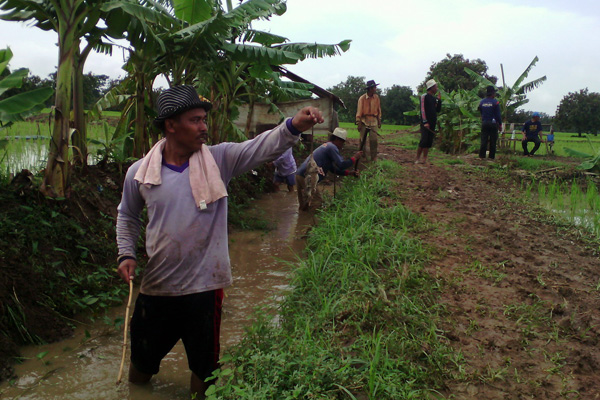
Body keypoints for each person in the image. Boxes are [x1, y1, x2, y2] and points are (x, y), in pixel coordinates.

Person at [115, 85, 323, 399]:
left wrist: (293, 126)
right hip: (157, 287)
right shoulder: (140, 173)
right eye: (195, 120)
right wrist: (126, 253)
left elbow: (259, 147)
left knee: (204, 370)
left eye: (203, 119)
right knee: (140, 369)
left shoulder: (219, 159)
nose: (204, 127)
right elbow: (128, 215)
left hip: (204, 290)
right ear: (171, 125)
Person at [295, 127, 362, 211]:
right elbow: (341, 164)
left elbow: (333, 169)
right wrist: (354, 158)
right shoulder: (332, 147)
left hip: (300, 175)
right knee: (317, 204)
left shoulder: (326, 146)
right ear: (338, 140)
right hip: (308, 176)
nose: (342, 146)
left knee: (304, 206)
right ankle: (312, 222)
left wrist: (349, 173)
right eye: (342, 143)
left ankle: (301, 222)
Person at [416, 79, 442, 164]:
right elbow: (422, 110)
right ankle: (417, 158)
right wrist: (425, 122)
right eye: (436, 87)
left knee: (429, 141)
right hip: (425, 123)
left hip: (432, 122)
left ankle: (424, 159)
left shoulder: (434, 99)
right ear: (431, 88)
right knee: (424, 140)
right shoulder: (424, 96)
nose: (437, 88)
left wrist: (439, 100)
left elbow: (437, 110)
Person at [355, 79, 382, 162]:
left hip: (373, 120)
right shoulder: (362, 99)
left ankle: (373, 157)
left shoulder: (376, 98)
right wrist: (358, 122)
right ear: (370, 89)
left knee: (374, 140)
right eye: (374, 87)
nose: (375, 89)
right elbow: (359, 111)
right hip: (364, 120)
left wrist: (379, 119)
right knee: (362, 140)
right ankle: (362, 156)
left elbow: (378, 109)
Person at [478, 85, 502, 160]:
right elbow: (498, 115)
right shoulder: (495, 102)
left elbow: (480, 111)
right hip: (493, 123)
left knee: (484, 140)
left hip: (485, 122)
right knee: (493, 140)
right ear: (493, 93)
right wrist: (500, 124)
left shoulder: (482, 102)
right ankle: (491, 157)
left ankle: (482, 156)